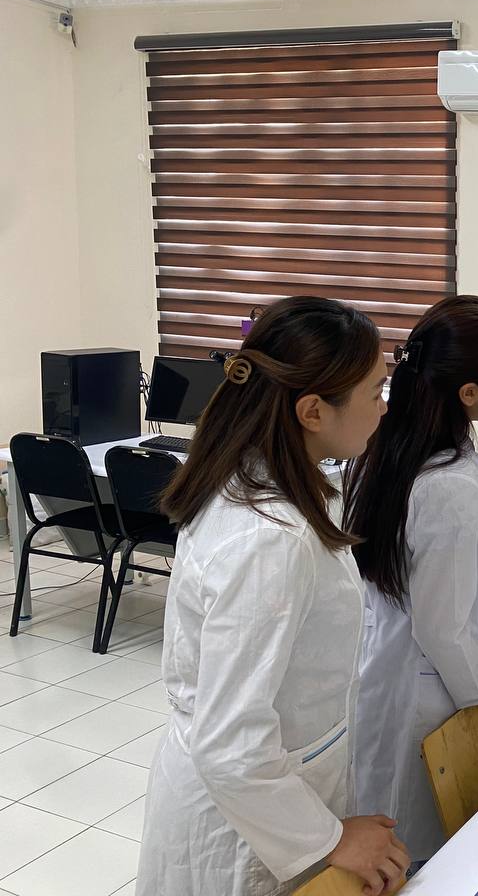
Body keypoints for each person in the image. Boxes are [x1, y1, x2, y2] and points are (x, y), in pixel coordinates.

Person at [138, 297, 409, 896]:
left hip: (272, 791)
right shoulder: (268, 540)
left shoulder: (268, 483)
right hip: (246, 823)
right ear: (313, 411)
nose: (383, 408)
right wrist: (330, 839)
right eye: (375, 392)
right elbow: (231, 744)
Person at [344, 295, 478, 865]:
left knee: (394, 825)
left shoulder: (385, 450)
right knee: (421, 846)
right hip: (430, 692)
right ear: (469, 393)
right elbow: (440, 627)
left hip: (392, 672)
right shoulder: (450, 483)